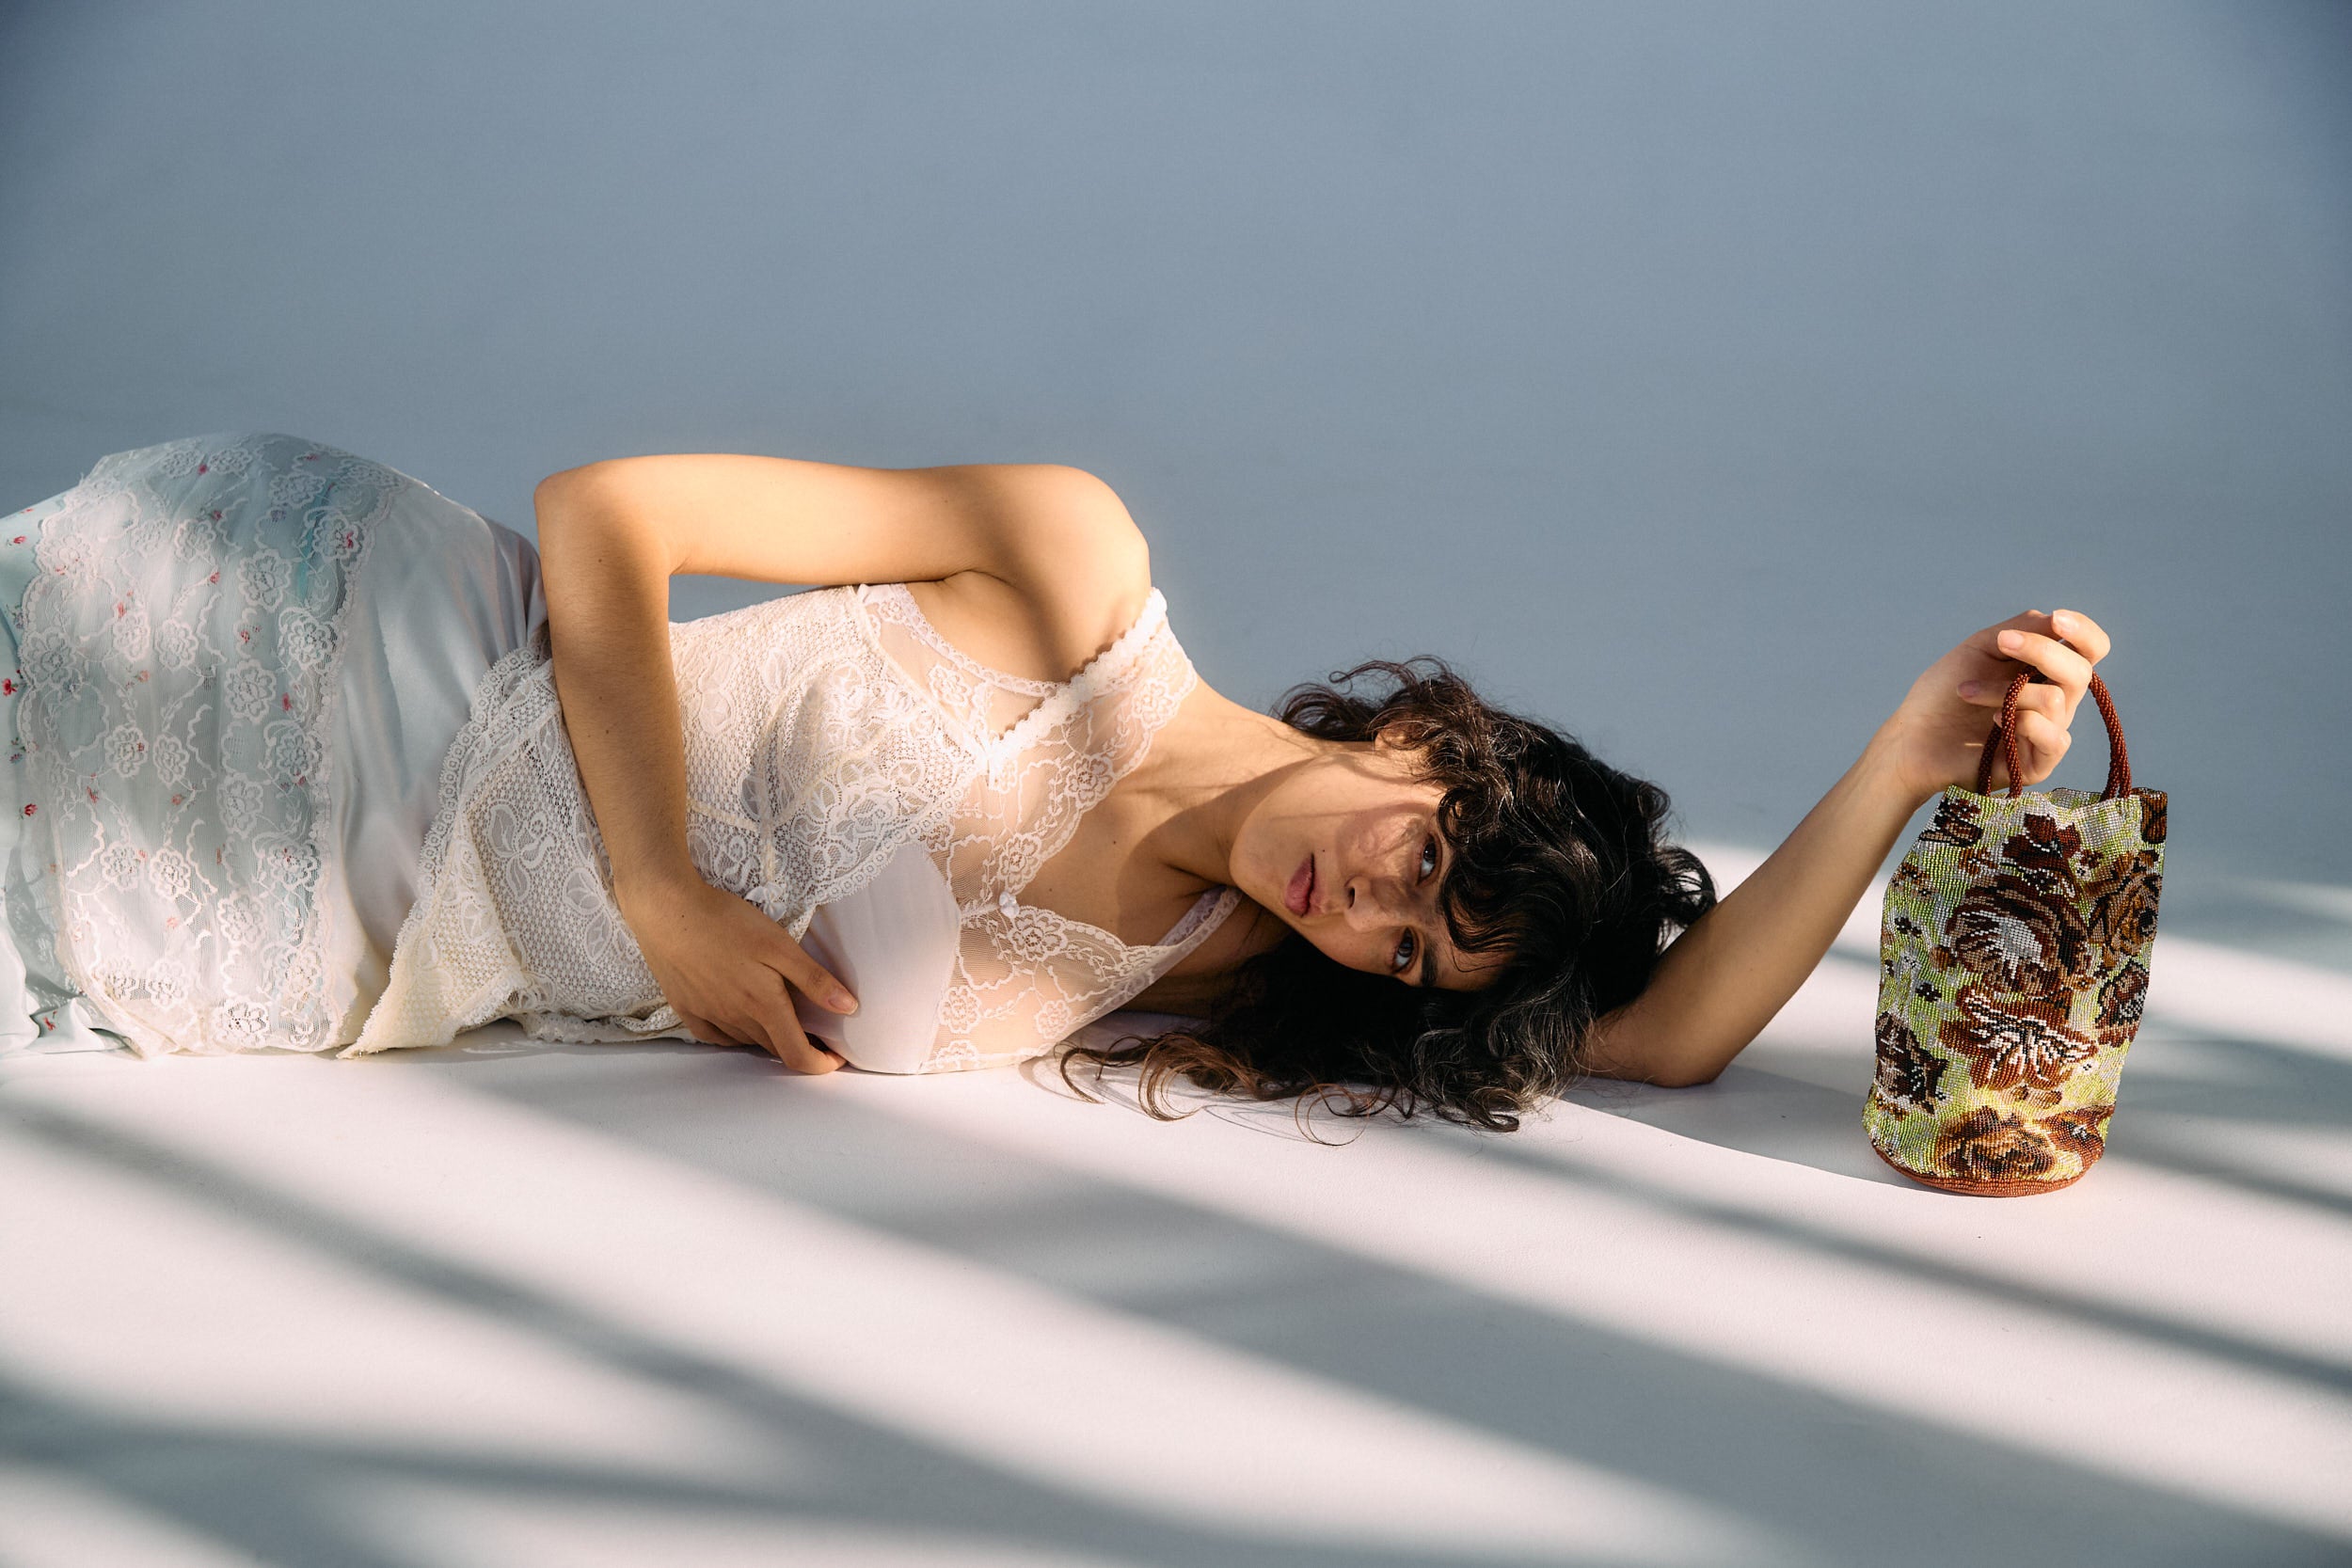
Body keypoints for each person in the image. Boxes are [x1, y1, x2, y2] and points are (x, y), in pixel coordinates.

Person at [0, 433, 2109, 1132]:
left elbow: (1661, 1036)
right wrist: (662, 894)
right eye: (1418, 864)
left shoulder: (1210, 966)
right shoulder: (1069, 568)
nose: (1368, 919)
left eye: (1412, 954)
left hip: (320, 949)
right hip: (327, 661)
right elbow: (608, 511)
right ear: (1425, 747)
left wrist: (1915, 755)